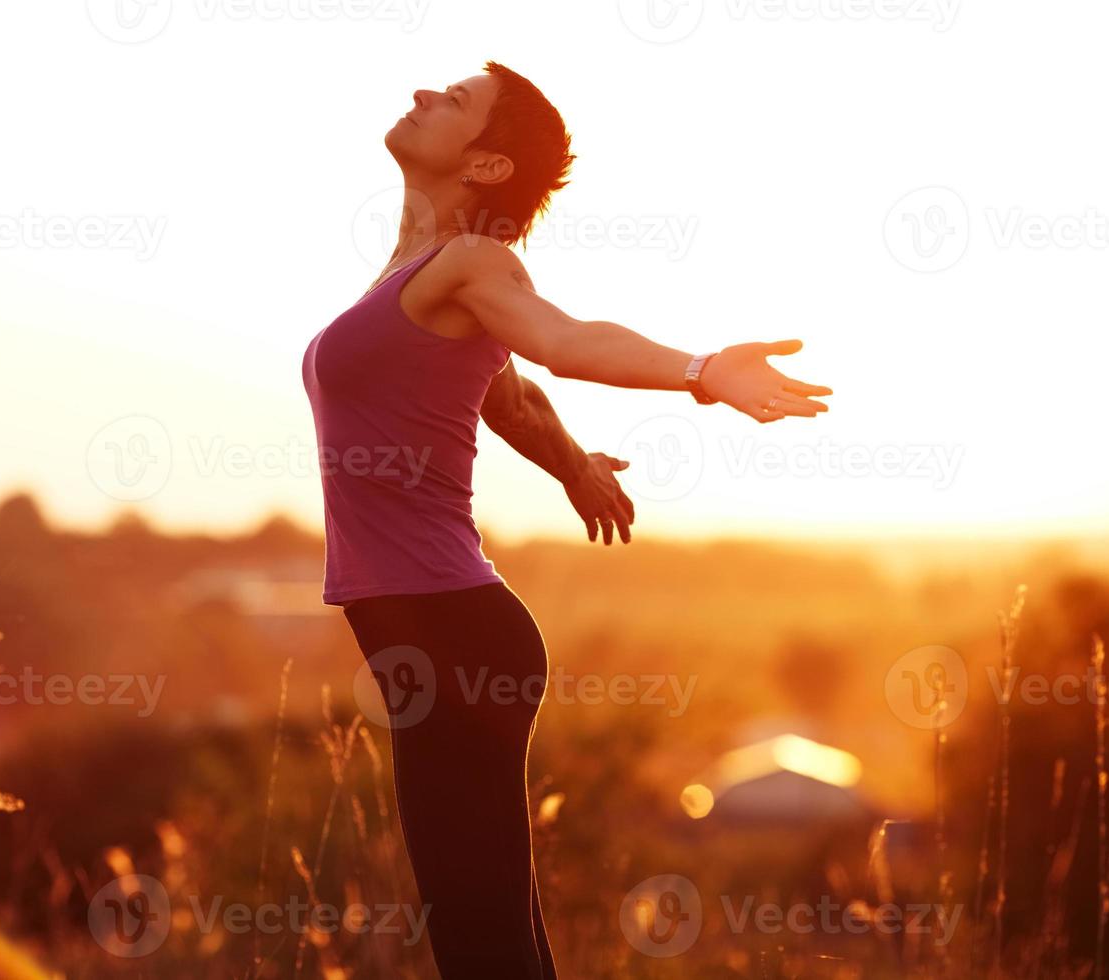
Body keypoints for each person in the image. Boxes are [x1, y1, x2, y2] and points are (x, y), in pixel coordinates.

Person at [301, 60, 832, 979]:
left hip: (456, 638)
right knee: (489, 936)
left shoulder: (473, 265)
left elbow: (566, 341)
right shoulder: (414, 281)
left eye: (455, 102)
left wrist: (703, 372)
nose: (425, 94)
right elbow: (512, 398)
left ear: (488, 167)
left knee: (482, 940)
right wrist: (577, 466)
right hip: (432, 637)